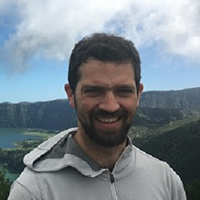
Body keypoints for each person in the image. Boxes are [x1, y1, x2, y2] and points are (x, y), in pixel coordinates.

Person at [8, 33, 187, 200]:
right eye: (94, 91)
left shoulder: (166, 180)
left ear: (138, 94)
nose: (110, 106)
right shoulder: (34, 191)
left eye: (124, 91)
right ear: (71, 95)